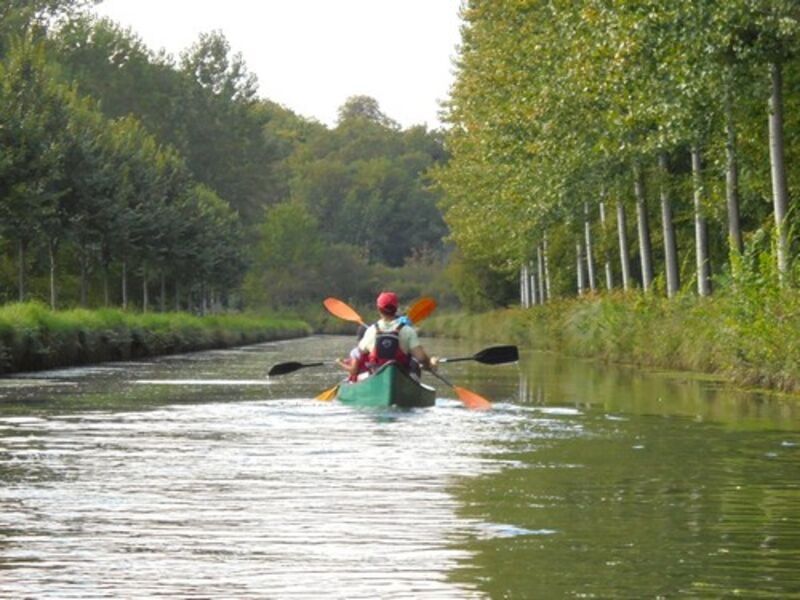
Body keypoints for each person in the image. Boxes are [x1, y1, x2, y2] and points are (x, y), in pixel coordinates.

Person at [348, 291, 437, 379]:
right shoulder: (408, 330)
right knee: (414, 367)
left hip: (377, 375)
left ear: (378, 309)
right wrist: (430, 364)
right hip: (401, 376)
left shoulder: (371, 330)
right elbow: (421, 358)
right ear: (396, 308)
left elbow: (359, 353)